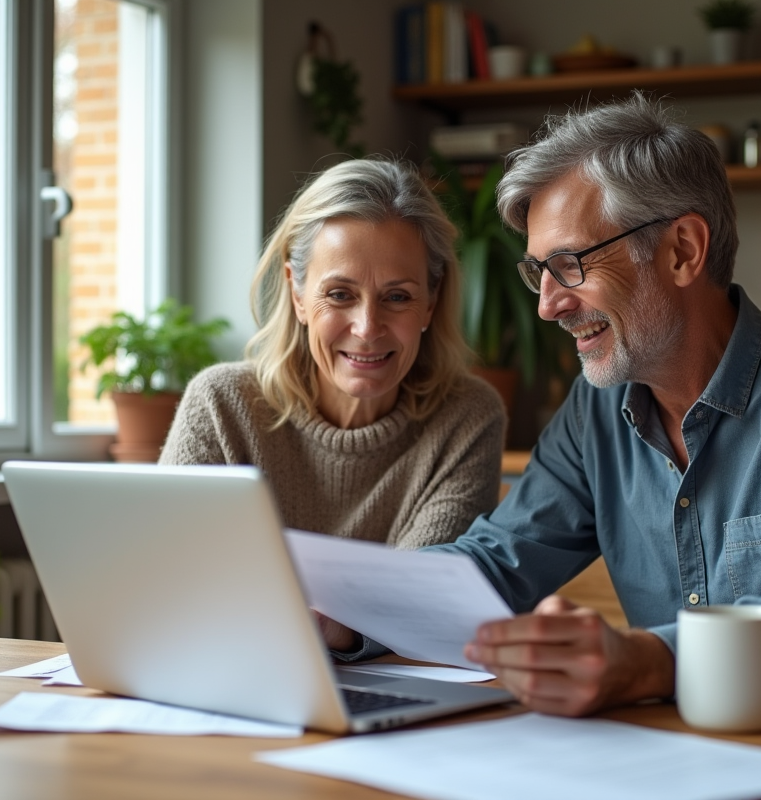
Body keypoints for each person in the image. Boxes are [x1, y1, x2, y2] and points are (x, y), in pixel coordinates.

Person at [327, 94, 761, 713]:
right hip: (719, 757)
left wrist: (647, 661)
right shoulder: (596, 415)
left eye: (571, 264)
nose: (548, 304)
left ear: (682, 250)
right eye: (539, 271)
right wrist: (339, 607)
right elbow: (495, 563)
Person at [160, 158, 505, 550]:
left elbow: (414, 596)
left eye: (397, 296)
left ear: (430, 301)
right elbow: (172, 573)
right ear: (297, 294)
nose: (367, 327)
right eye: (340, 294)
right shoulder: (220, 406)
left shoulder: (467, 419)